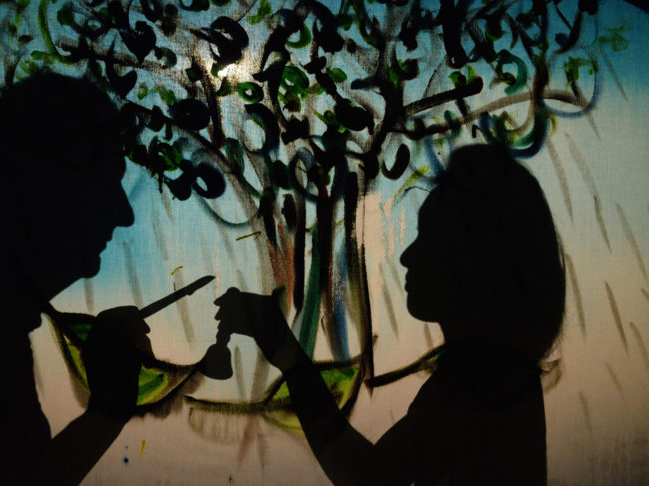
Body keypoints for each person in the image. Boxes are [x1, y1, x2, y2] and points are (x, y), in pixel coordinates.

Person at [214, 144, 565, 485]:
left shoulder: (480, 385)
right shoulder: (500, 376)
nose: (407, 257)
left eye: (429, 238)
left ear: (470, 261)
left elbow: (369, 476)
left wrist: (289, 357)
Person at [0, 73, 154, 485]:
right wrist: (107, 411)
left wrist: (106, 412)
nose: (123, 214)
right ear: (43, 188)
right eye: (105, 182)